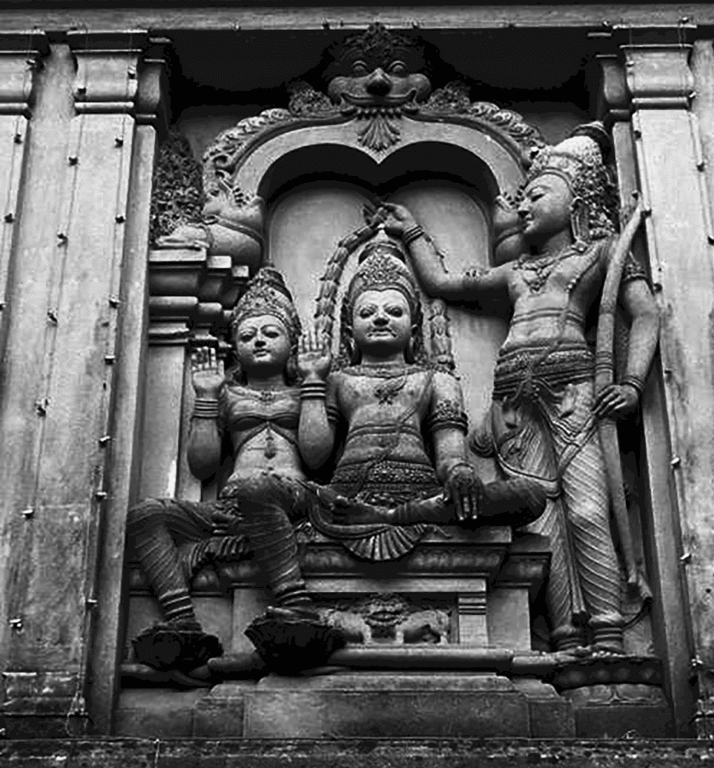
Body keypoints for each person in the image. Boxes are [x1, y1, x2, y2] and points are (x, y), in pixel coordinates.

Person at [382, 124, 660, 652]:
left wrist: (631, 381)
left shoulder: (602, 254)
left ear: (577, 201)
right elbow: (442, 283)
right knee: (540, 515)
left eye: (538, 195)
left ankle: (607, 630)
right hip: (512, 402)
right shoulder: (516, 272)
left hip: (573, 391)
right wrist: (412, 231)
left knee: (586, 509)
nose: (523, 207)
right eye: (522, 198)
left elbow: (645, 314)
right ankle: (566, 634)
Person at [127, 268, 329, 672]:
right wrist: (206, 396)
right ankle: (181, 618)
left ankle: (295, 602)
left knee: (258, 490)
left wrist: (312, 383)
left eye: (271, 333)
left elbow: (318, 456)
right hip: (233, 503)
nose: (259, 340)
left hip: (292, 497)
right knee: (146, 515)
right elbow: (202, 464)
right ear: (234, 347)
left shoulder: (306, 390)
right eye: (247, 335)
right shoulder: (228, 394)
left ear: (293, 342)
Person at [296, 236, 544, 562]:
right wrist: (313, 379)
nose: (380, 318)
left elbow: (450, 456)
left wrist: (460, 474)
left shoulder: (437, 380)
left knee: (529, 495)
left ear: (414, 328)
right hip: (346, 494)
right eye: (367, 312)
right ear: (348, 328)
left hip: (423, 495)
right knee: (267, 494)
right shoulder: (337, 380)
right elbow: (314, 458)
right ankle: (393, 515)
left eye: (394, 311)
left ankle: (390, 516)